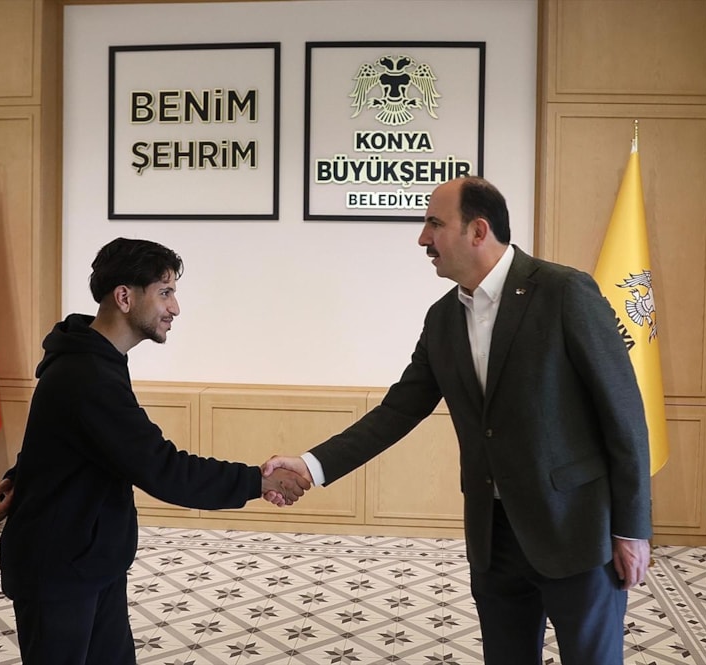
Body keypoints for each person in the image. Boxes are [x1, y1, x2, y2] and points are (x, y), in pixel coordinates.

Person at [263, 176, 652, 665]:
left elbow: (624, 415)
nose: (423, 239)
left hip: (575, 531)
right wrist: (311, 465)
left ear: (478, 230)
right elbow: (398, 410)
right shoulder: (442, 318)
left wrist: (632, 529)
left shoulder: (564, 292)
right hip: (494, 538)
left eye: (434, 223)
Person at [0, 237, 309, 665]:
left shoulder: (93, 358)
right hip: (58, 573)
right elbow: (163, 468)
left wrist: (21, 477)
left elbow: (61, 438)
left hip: (92, 561)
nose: (175, 308)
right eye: (165, 292)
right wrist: (257, 481)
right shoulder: (87, 374)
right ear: (124, 297)